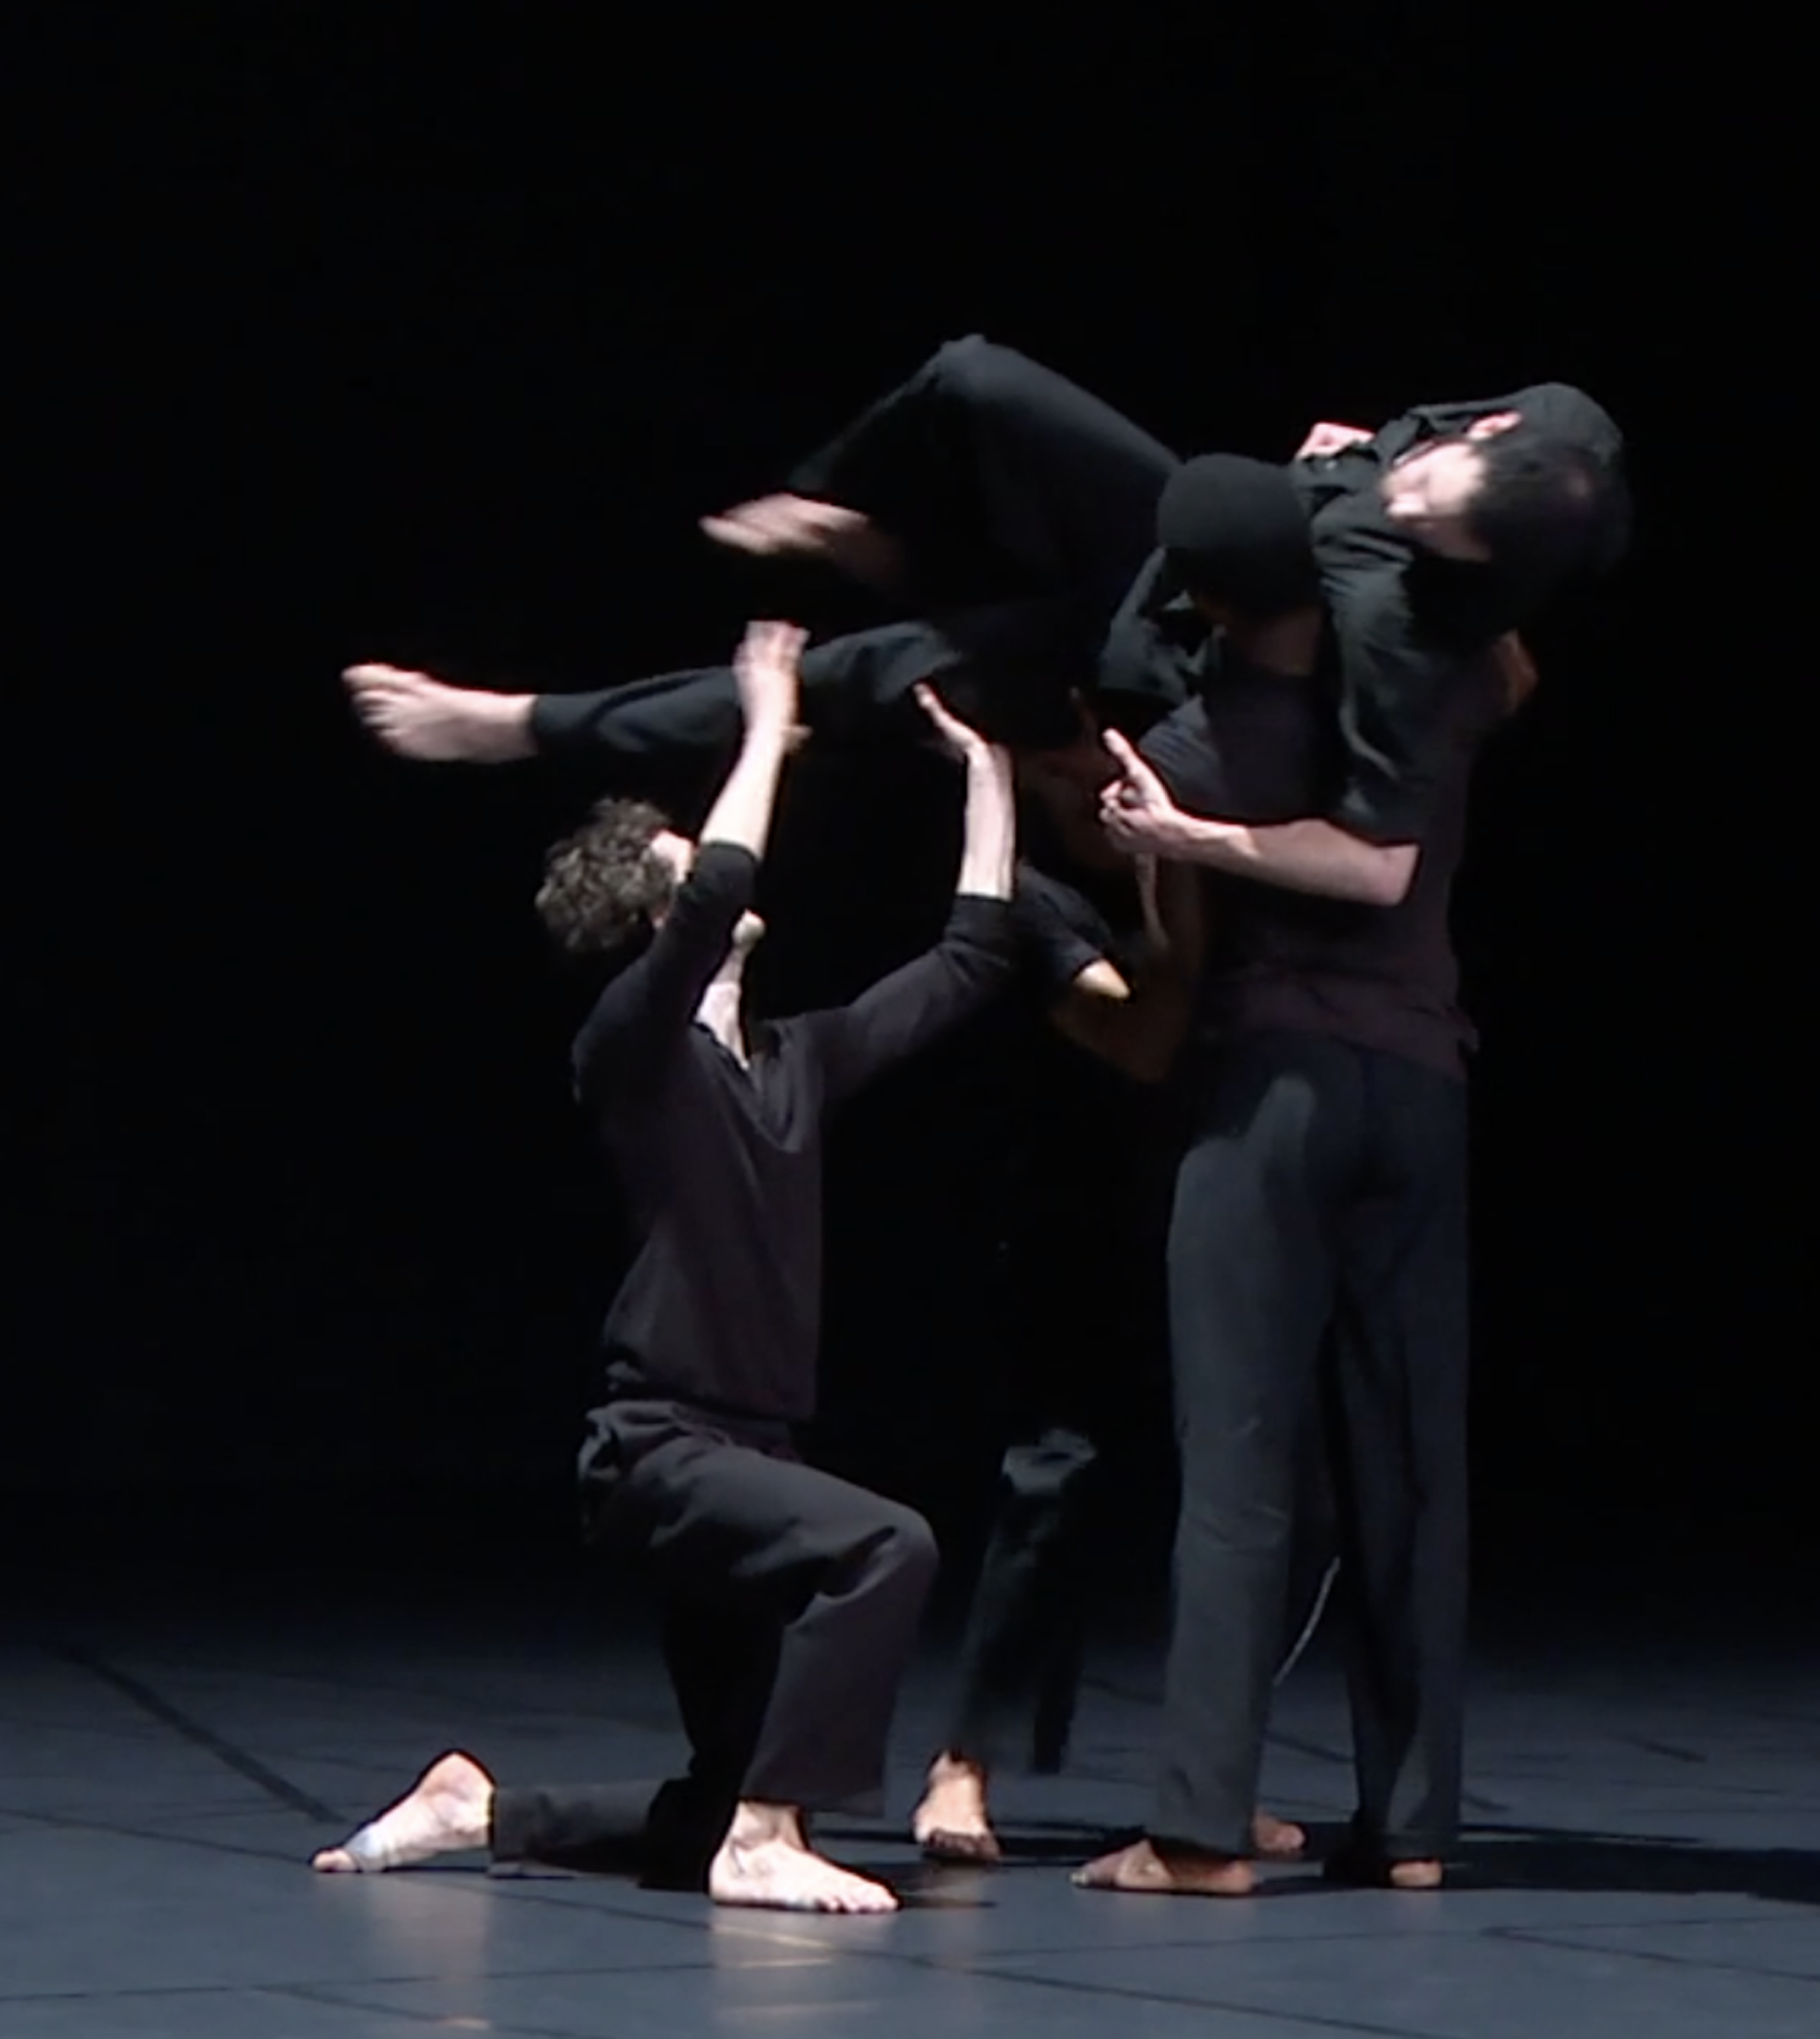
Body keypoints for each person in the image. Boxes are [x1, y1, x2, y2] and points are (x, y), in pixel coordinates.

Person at [311, 622, 1019, 1913]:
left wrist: (987, 769)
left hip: (758, 1456)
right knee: (886, 1548)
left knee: (709, 1785)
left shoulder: (793, 1060)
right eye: (683, 869)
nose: (716, 871)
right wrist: (762, 717)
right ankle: (763, 1840)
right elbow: (714, 892)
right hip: (660, 1451)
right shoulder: (630, 1051)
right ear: (650, 917)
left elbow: (969, 959)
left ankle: (481, 1807)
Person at [340, 335, 1620, 913]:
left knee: (859, 672)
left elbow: (1383, 852)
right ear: (1492, 434)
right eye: (1420, 477)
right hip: (1186, 524)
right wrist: (1365, 454)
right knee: (976, 377)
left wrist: (1200, 833)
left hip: (1171, 645)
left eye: (1419, 522)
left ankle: (512, 728)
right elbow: (1420, 465)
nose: (1398, 502)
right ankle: (858, 518)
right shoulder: (1552, 422)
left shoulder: (1414, 628)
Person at [1058, 454, 1523, 1897]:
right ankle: (1414, 1828)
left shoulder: (1195, 745)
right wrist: (1382, 495)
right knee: (1410, 1471)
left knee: (1239, 1466)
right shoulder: (1423, 679)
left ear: (1201, 596)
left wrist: (1157, 839)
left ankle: (1197, 1830)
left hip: (1272, 1101)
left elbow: (1145, 927)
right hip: (1422, 1089)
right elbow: (1509, 663)